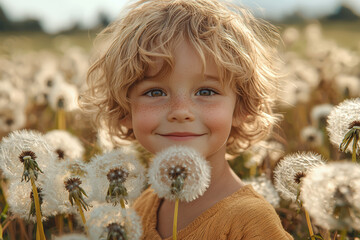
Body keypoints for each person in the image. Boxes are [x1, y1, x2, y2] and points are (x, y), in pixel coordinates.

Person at [81, 0, 293, 239]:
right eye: (155, 92)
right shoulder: (141, 208)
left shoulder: (251, 221)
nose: (181, 111)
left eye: (206, 92)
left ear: (242, 107)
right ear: (124, 111)